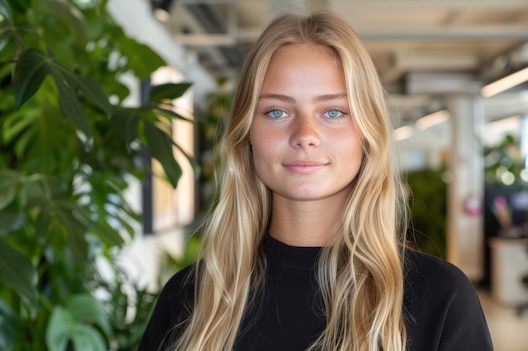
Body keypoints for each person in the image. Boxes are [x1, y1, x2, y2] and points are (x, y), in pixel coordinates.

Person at [139, 10, 493, 351]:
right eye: (276, 111)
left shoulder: (439, 299)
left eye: (334, 112)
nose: (305, 135)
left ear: (367, 134)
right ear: (247, 133)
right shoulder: (188, 298)